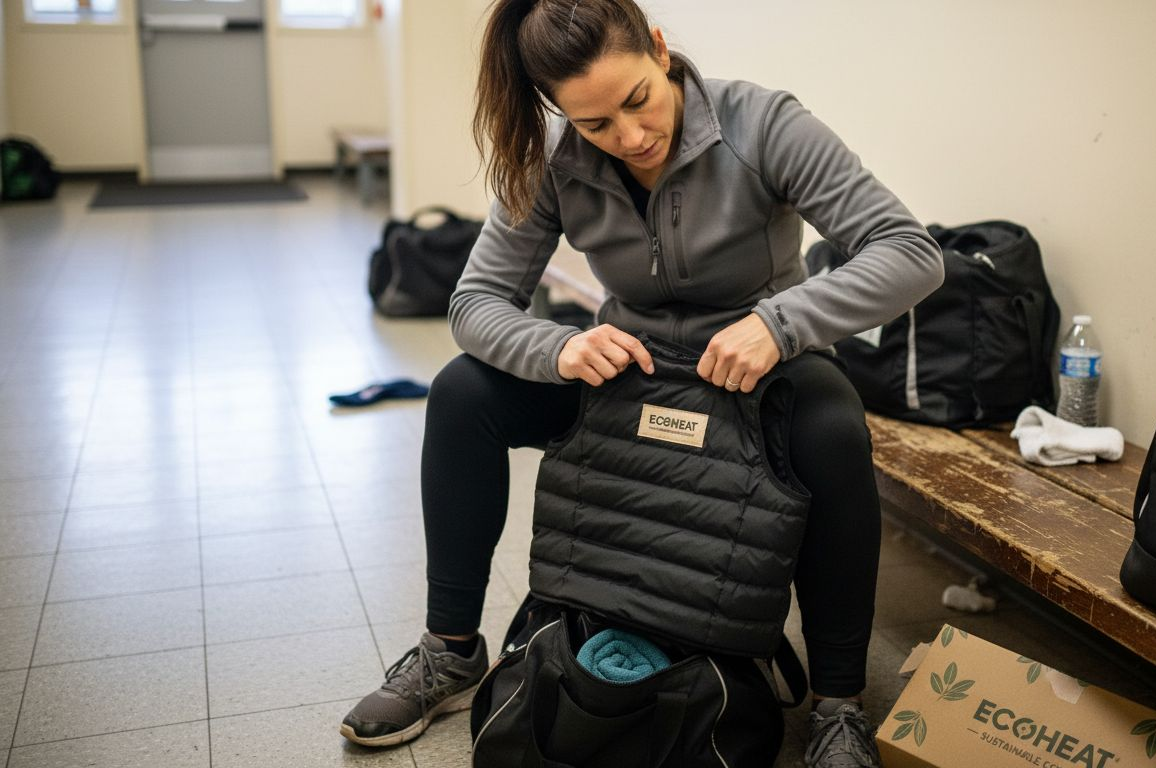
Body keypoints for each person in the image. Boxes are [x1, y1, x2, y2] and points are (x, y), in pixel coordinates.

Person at [340, 0, 943, 764]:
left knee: (833, 428)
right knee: (463, 392)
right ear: (561, 112)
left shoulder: (764, 125)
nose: (630, 137)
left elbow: (910, 252)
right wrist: (558, 349)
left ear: (659, 50)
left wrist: (780, 325)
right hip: (630, 368)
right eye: (595, 124)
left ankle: (837, 705)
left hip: (760, 366)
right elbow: (475, 303)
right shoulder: (554, 156)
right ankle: (451, 649)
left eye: (637, 101)